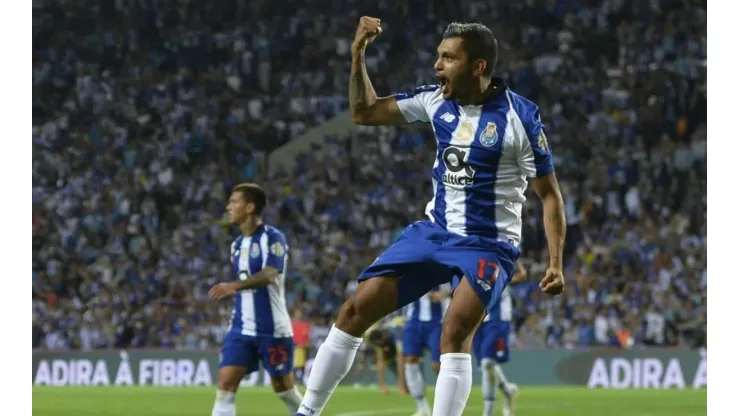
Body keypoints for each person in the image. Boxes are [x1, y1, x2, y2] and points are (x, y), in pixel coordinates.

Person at [296, 19, 565, 416]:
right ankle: (306, 412)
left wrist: (556, 263)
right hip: (434, 231)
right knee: (354, 311)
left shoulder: (519, 119)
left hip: (488, 243)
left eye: (448, 57)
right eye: (438, 55)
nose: (437, 65)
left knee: (453, 334)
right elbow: (364, 112)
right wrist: (357, 55)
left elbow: (550, 196)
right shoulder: (435, 100)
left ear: (478, 66)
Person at [208, 183, 303, 416]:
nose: (228, 207)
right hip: (241, 328)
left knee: (284, 389)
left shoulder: (273, 238)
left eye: (234, 202)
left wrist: (234, 286)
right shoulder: (237, 245)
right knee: (225, 386)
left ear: (249, 207)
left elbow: (271, 274)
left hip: (273, 329)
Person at [472, 261, 527, 416]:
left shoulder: (503, 249)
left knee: (487, 362)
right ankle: (507, 390)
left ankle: (488, 411)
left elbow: (522, 275)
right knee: (484, 365)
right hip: (477, 315)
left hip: (498, 317)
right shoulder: (471, 250)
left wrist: (504, 278)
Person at [403, 285, 452, 416]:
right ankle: (422, 407)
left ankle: (449, 406)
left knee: (438, 366)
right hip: (413, 320)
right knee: (410, 360)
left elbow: (458, 282)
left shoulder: (446, 266)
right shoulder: (411, 266)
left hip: (438, 322)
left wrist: (446, 293)